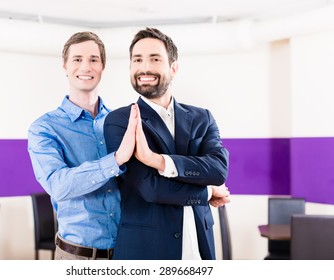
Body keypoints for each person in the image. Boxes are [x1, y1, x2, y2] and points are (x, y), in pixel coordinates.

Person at [104, 27, 231, 260]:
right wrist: (207, 191)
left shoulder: (203, 117)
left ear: (173, 68)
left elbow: (218, 169)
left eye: (155, 59)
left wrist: (156, 160)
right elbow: (149, 188)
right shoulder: (120, 121)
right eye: (137, 60)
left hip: (199, 248)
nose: (144, 68)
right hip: (145, 251)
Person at [27, 31, 137, 260]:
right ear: (65, 66)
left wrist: (203, 190)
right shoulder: (44, 128)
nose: (85, 67)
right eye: (77, 59)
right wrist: (115, 160)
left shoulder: (121, 123)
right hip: (77, 258)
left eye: (93, 60)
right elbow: (58, 185)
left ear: (103, 67)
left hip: (127, 253)